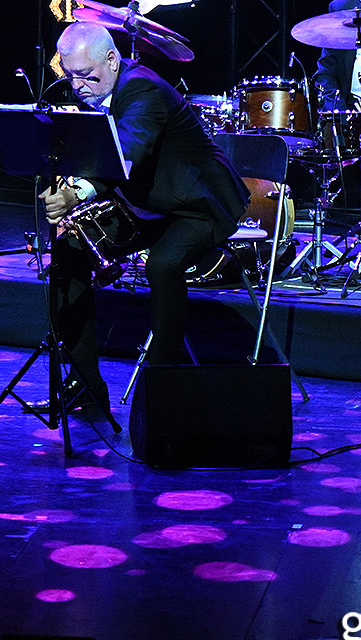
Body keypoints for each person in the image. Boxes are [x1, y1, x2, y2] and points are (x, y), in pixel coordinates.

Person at [41, 21, 249, 422]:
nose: (78, 86)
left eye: (86, 75)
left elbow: (126, 152)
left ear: (112, 60)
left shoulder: (142, 88)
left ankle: (164, 386)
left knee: (163, 264)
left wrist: (76, 194)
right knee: (68, 250)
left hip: (198, 204)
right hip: (147, 204)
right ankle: (85, 385)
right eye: (70, 76)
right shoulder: (98, 88)